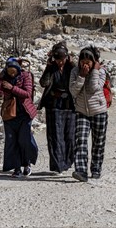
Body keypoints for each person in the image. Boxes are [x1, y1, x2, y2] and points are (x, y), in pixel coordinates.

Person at [69, 45, 108, 182]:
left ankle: (96, 168)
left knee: (98, 142)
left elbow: (93, 88)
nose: (85, 64)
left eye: (88, 61)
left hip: (99, 111)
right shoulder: (75, 72)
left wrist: (93, 72)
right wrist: (81, 76)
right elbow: (73, 91)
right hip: (81, 112)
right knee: (81, 141)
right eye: (82, 61)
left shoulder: (101, 72)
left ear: (94, 62)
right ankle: (81, 170)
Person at [0, 57, 38, 178]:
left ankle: (27, 164)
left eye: (13, 71)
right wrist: (0, 79)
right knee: (11, 141)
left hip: (24, 113)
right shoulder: (4, 77)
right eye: (9, 71)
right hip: (9, 114)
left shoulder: (25, 76)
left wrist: (12, 88)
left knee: (24, 140)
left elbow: (27, 93)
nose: (11, 73)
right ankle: (16, 168)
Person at [38, 42, 76, 174]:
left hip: (69, 106)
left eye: (63, 59)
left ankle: (68, 162)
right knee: (55, 136)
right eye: (58, 59)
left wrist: (72, 64)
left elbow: (79, 77)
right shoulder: (52, 67)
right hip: (54, 106)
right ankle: (58, 165)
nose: (61, 62)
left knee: (70, 136)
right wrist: (48, 68)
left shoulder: (71, 68)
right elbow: (44, 83)